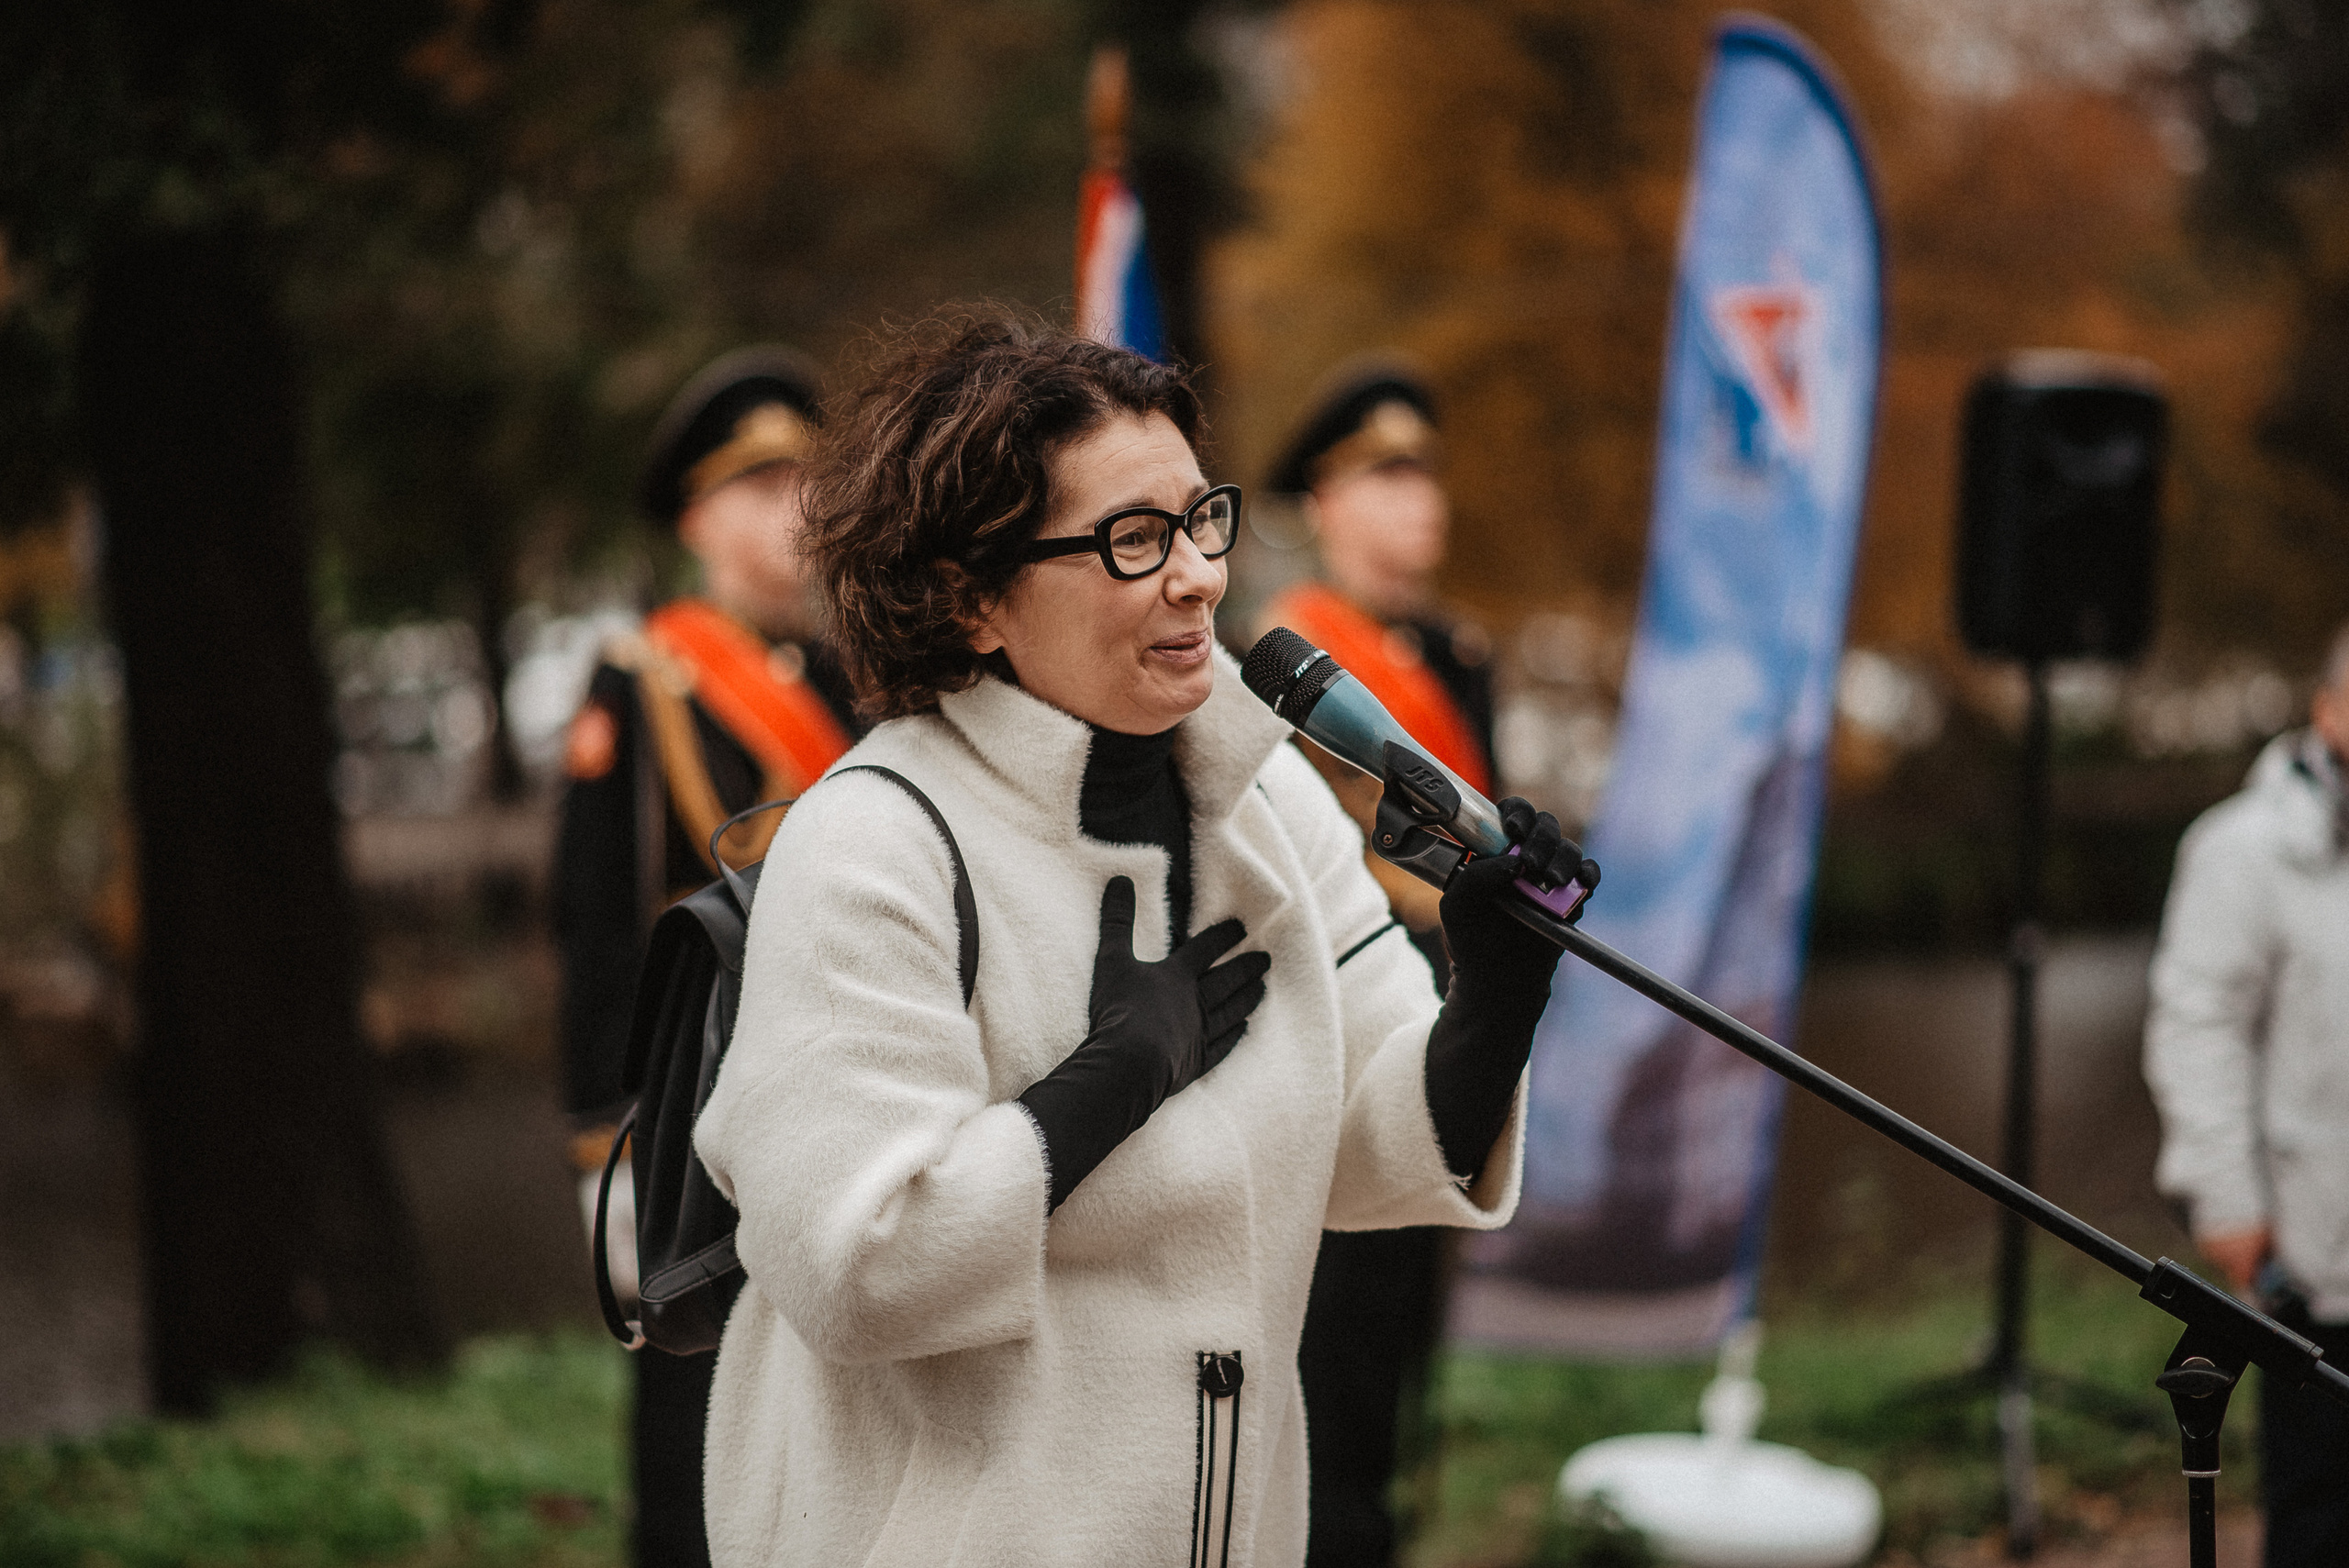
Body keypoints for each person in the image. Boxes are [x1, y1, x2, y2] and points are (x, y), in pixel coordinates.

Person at [690, 311, 1589, 1566]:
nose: (1197, 576)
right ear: (973, 596)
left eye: (1199, 518)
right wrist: (1103, 1088)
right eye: (1133, 538)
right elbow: (852, 1269)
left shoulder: (1268, 802)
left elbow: (1376, 1146)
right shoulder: (872, 845)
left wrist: (1494, 995)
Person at [552, 345, 861, 1568]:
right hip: (698, 1119)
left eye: (804, 482)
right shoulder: (643, 682)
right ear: (697, 517)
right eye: (757, 486)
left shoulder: (853, 679)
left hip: (844, 1098)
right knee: (695, 1447)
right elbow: (595, 924)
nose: (792, 509)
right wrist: (602, 1149)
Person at [1259, 359, 1497, 1567]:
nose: (1423, 504)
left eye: (1426, 475)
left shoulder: (1458, 660)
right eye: (1386, 477)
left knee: (1408, 1339)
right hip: (1331, 1037)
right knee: (1329, 1354)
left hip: (1444, 1020)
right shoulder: (1289, 667)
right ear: (1324, 502)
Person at [2143, 619, 2349, 1567]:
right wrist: (2228, 1203)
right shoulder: (2241, 848)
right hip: (2315, 1260)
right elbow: (2197, 1029)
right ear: (2328, 709)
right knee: (2317, 1514)